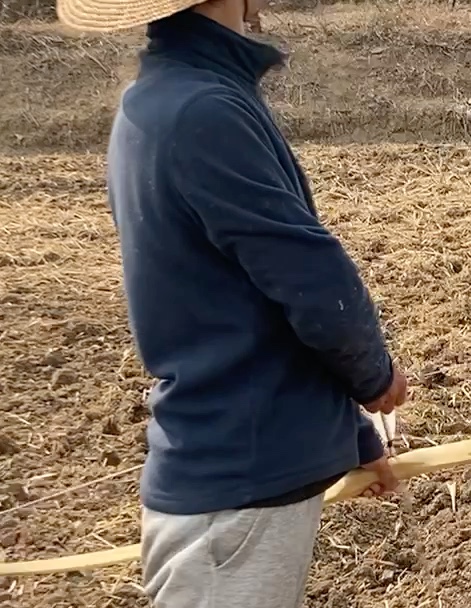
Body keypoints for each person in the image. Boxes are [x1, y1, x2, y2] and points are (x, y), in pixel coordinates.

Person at [56, 0, 407, 605]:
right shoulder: (204, 111)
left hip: (229, 473)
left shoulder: (166, 101)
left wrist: (350, 437)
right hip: (232, 496)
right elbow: (305, 274)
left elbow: (230, 304)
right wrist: (373, 378)